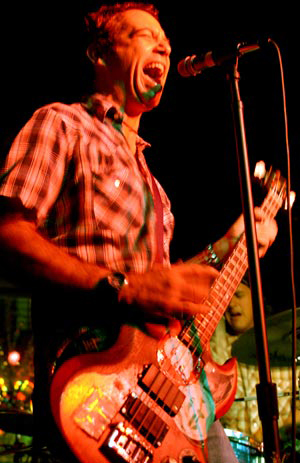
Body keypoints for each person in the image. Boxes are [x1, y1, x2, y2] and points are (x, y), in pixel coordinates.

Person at [0, 3, 278, 462]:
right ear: (99, 54)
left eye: (166, 43)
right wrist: (122, 289)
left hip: (175, 394)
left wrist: (231, 245)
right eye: (144, 36)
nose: (165, 48)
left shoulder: (157, 189)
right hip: (100, 380)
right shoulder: (62, 124)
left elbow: (162, 290)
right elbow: (8, 234)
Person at [210, 275, 300, 458]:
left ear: (257, 297)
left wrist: (283, 429)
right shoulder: (214, 351)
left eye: (239, 295)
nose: (231, 304)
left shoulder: (285, 346)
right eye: (226, 297)